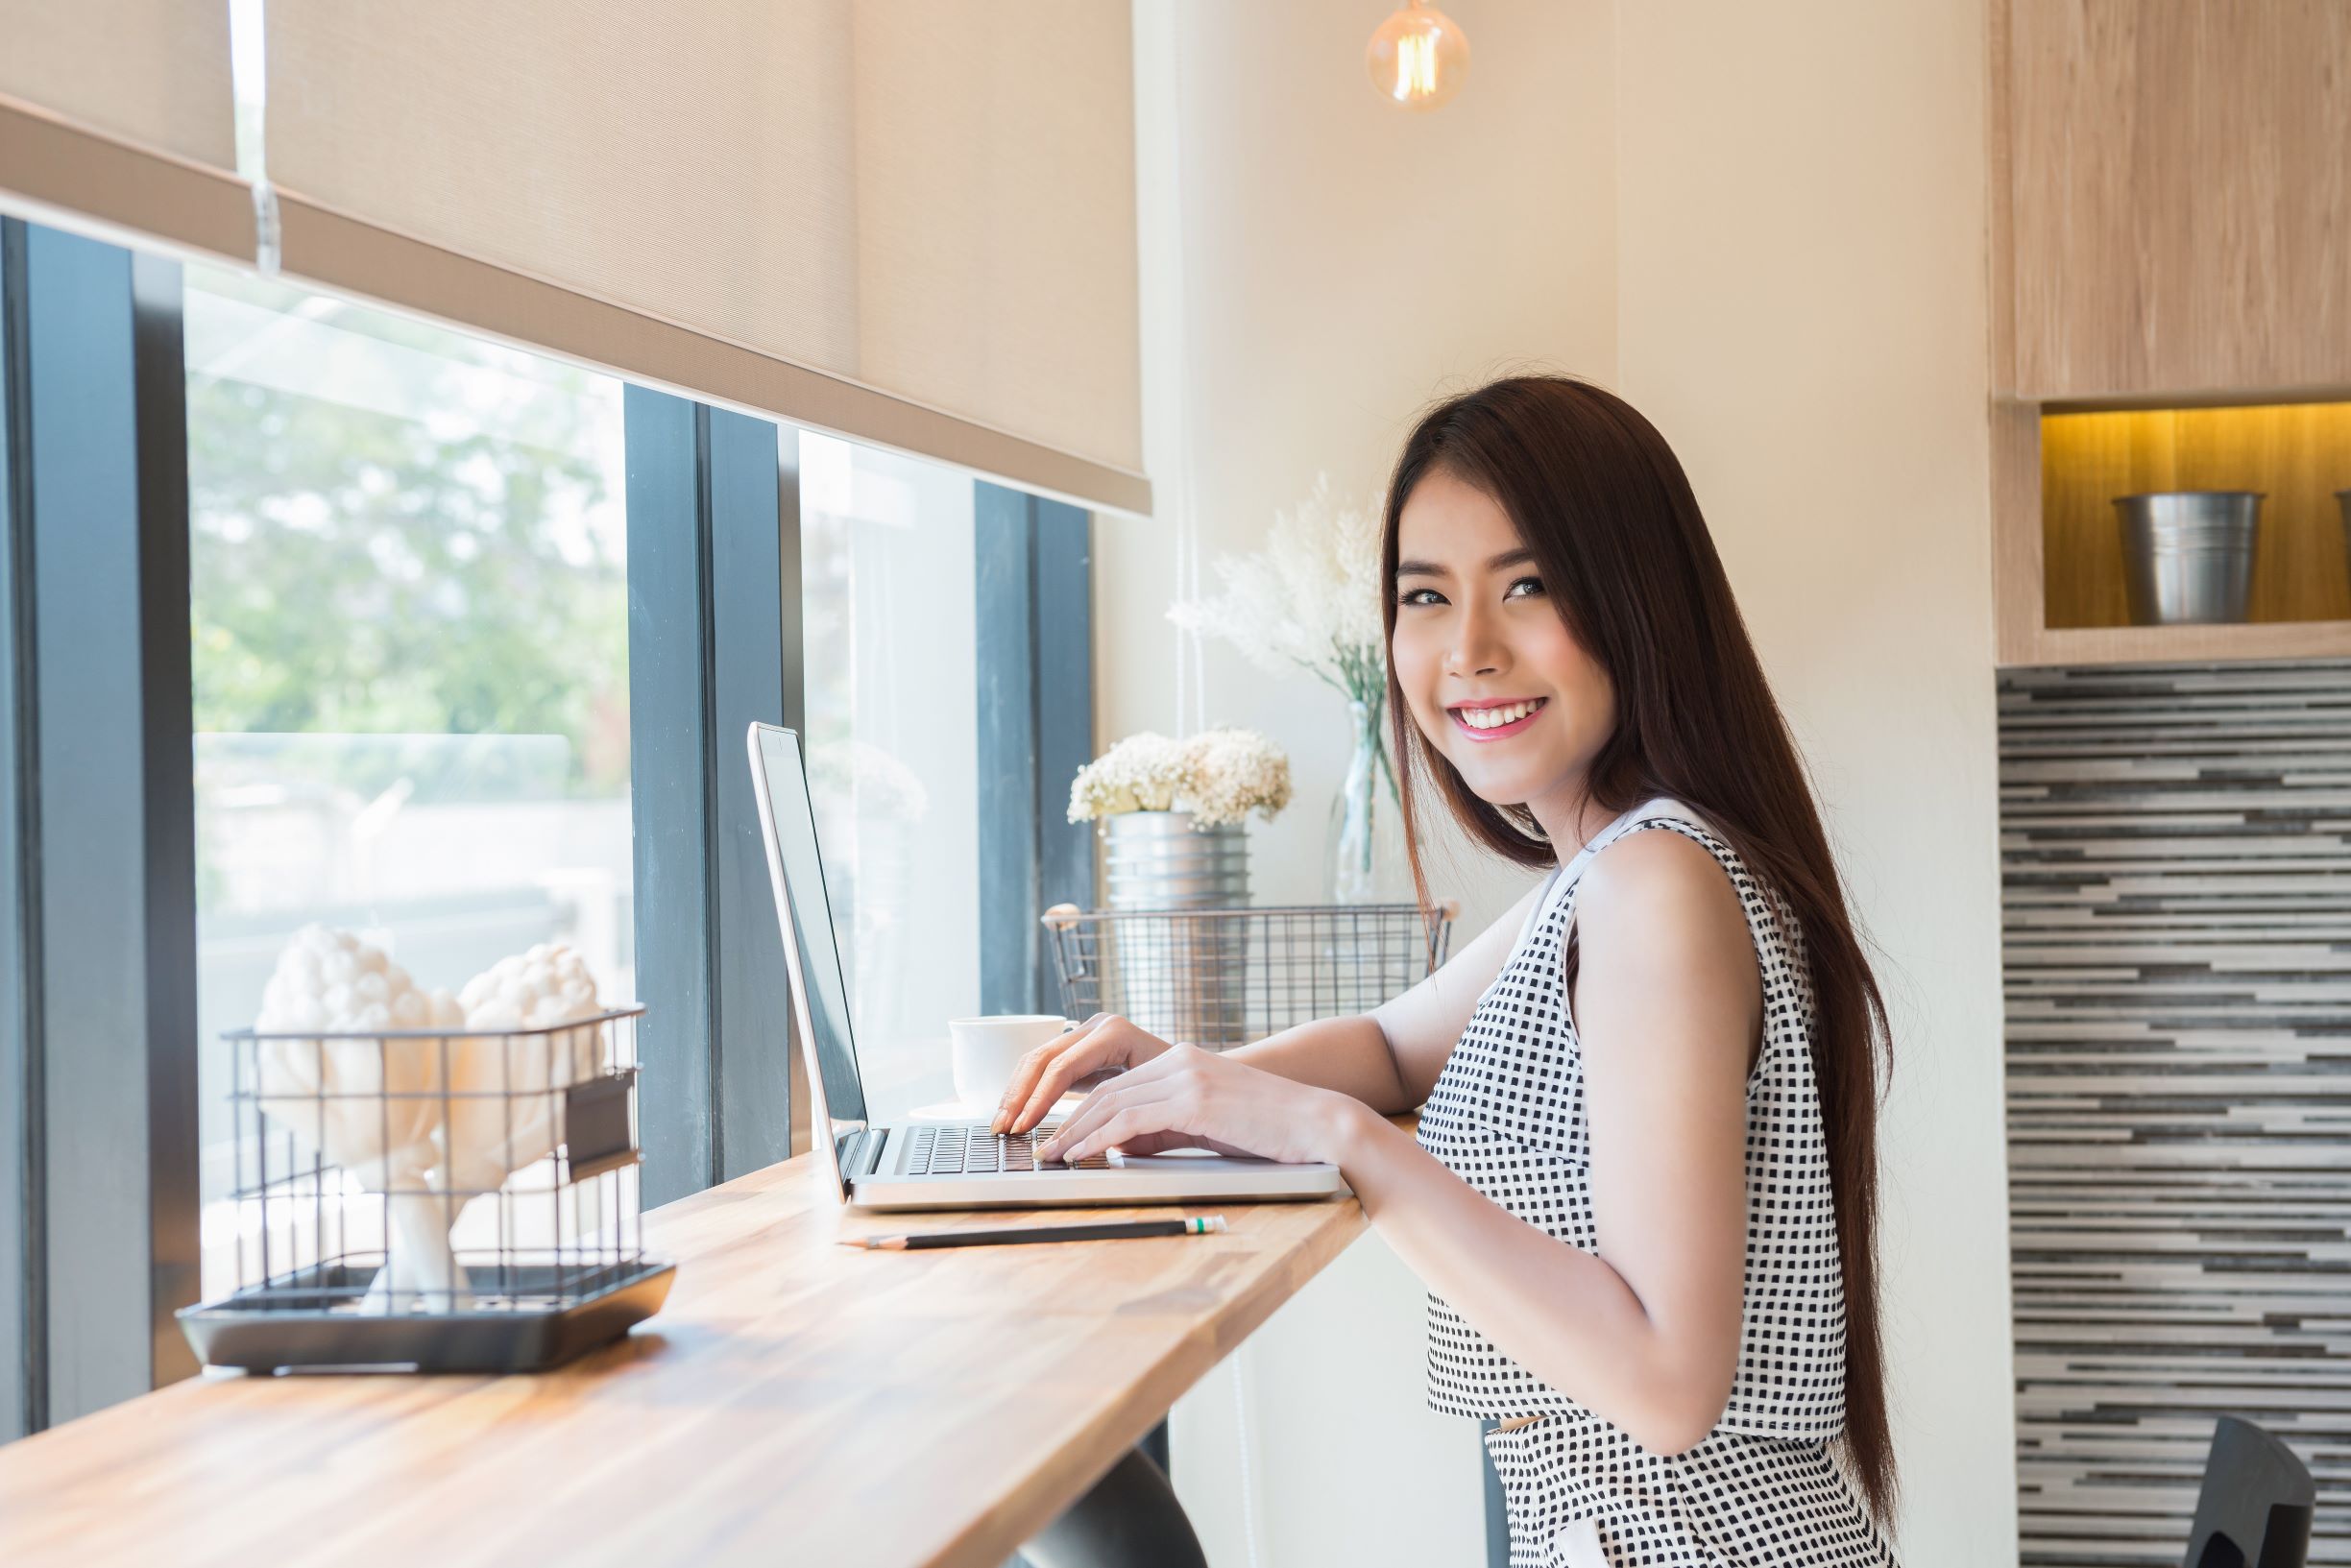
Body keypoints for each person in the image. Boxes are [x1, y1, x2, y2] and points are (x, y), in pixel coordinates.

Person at [992, 375, 1901, 1567]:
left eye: (1528, 585)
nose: (1468, 650)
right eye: (1426, 596)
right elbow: (1389, 1045)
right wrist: (1185, 1082)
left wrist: (1350, 1141)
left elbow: (1669, 1383)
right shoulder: (1620, 869)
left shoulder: (1656, 886)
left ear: (1641, 601)